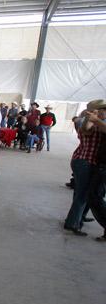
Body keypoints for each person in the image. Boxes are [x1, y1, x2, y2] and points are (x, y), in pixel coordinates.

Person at [64, 100, 105, 235]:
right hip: (85, 161)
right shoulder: (87, 121)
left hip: (81, 160)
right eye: (102, 109)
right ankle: (73, 224)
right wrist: (92, 117)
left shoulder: (95, 121)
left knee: (79, 193)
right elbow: (86, 128)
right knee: (82, 195)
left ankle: (73, 220)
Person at [79, 101, 106, 241]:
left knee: (95, 196)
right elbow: (85, 129)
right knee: (94, 195)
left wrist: (96, 119)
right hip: (99, 163)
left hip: (102, 165)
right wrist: (91, 119)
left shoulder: (101, 122)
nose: (101, 112)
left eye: (102, 110)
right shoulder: (99, 122)